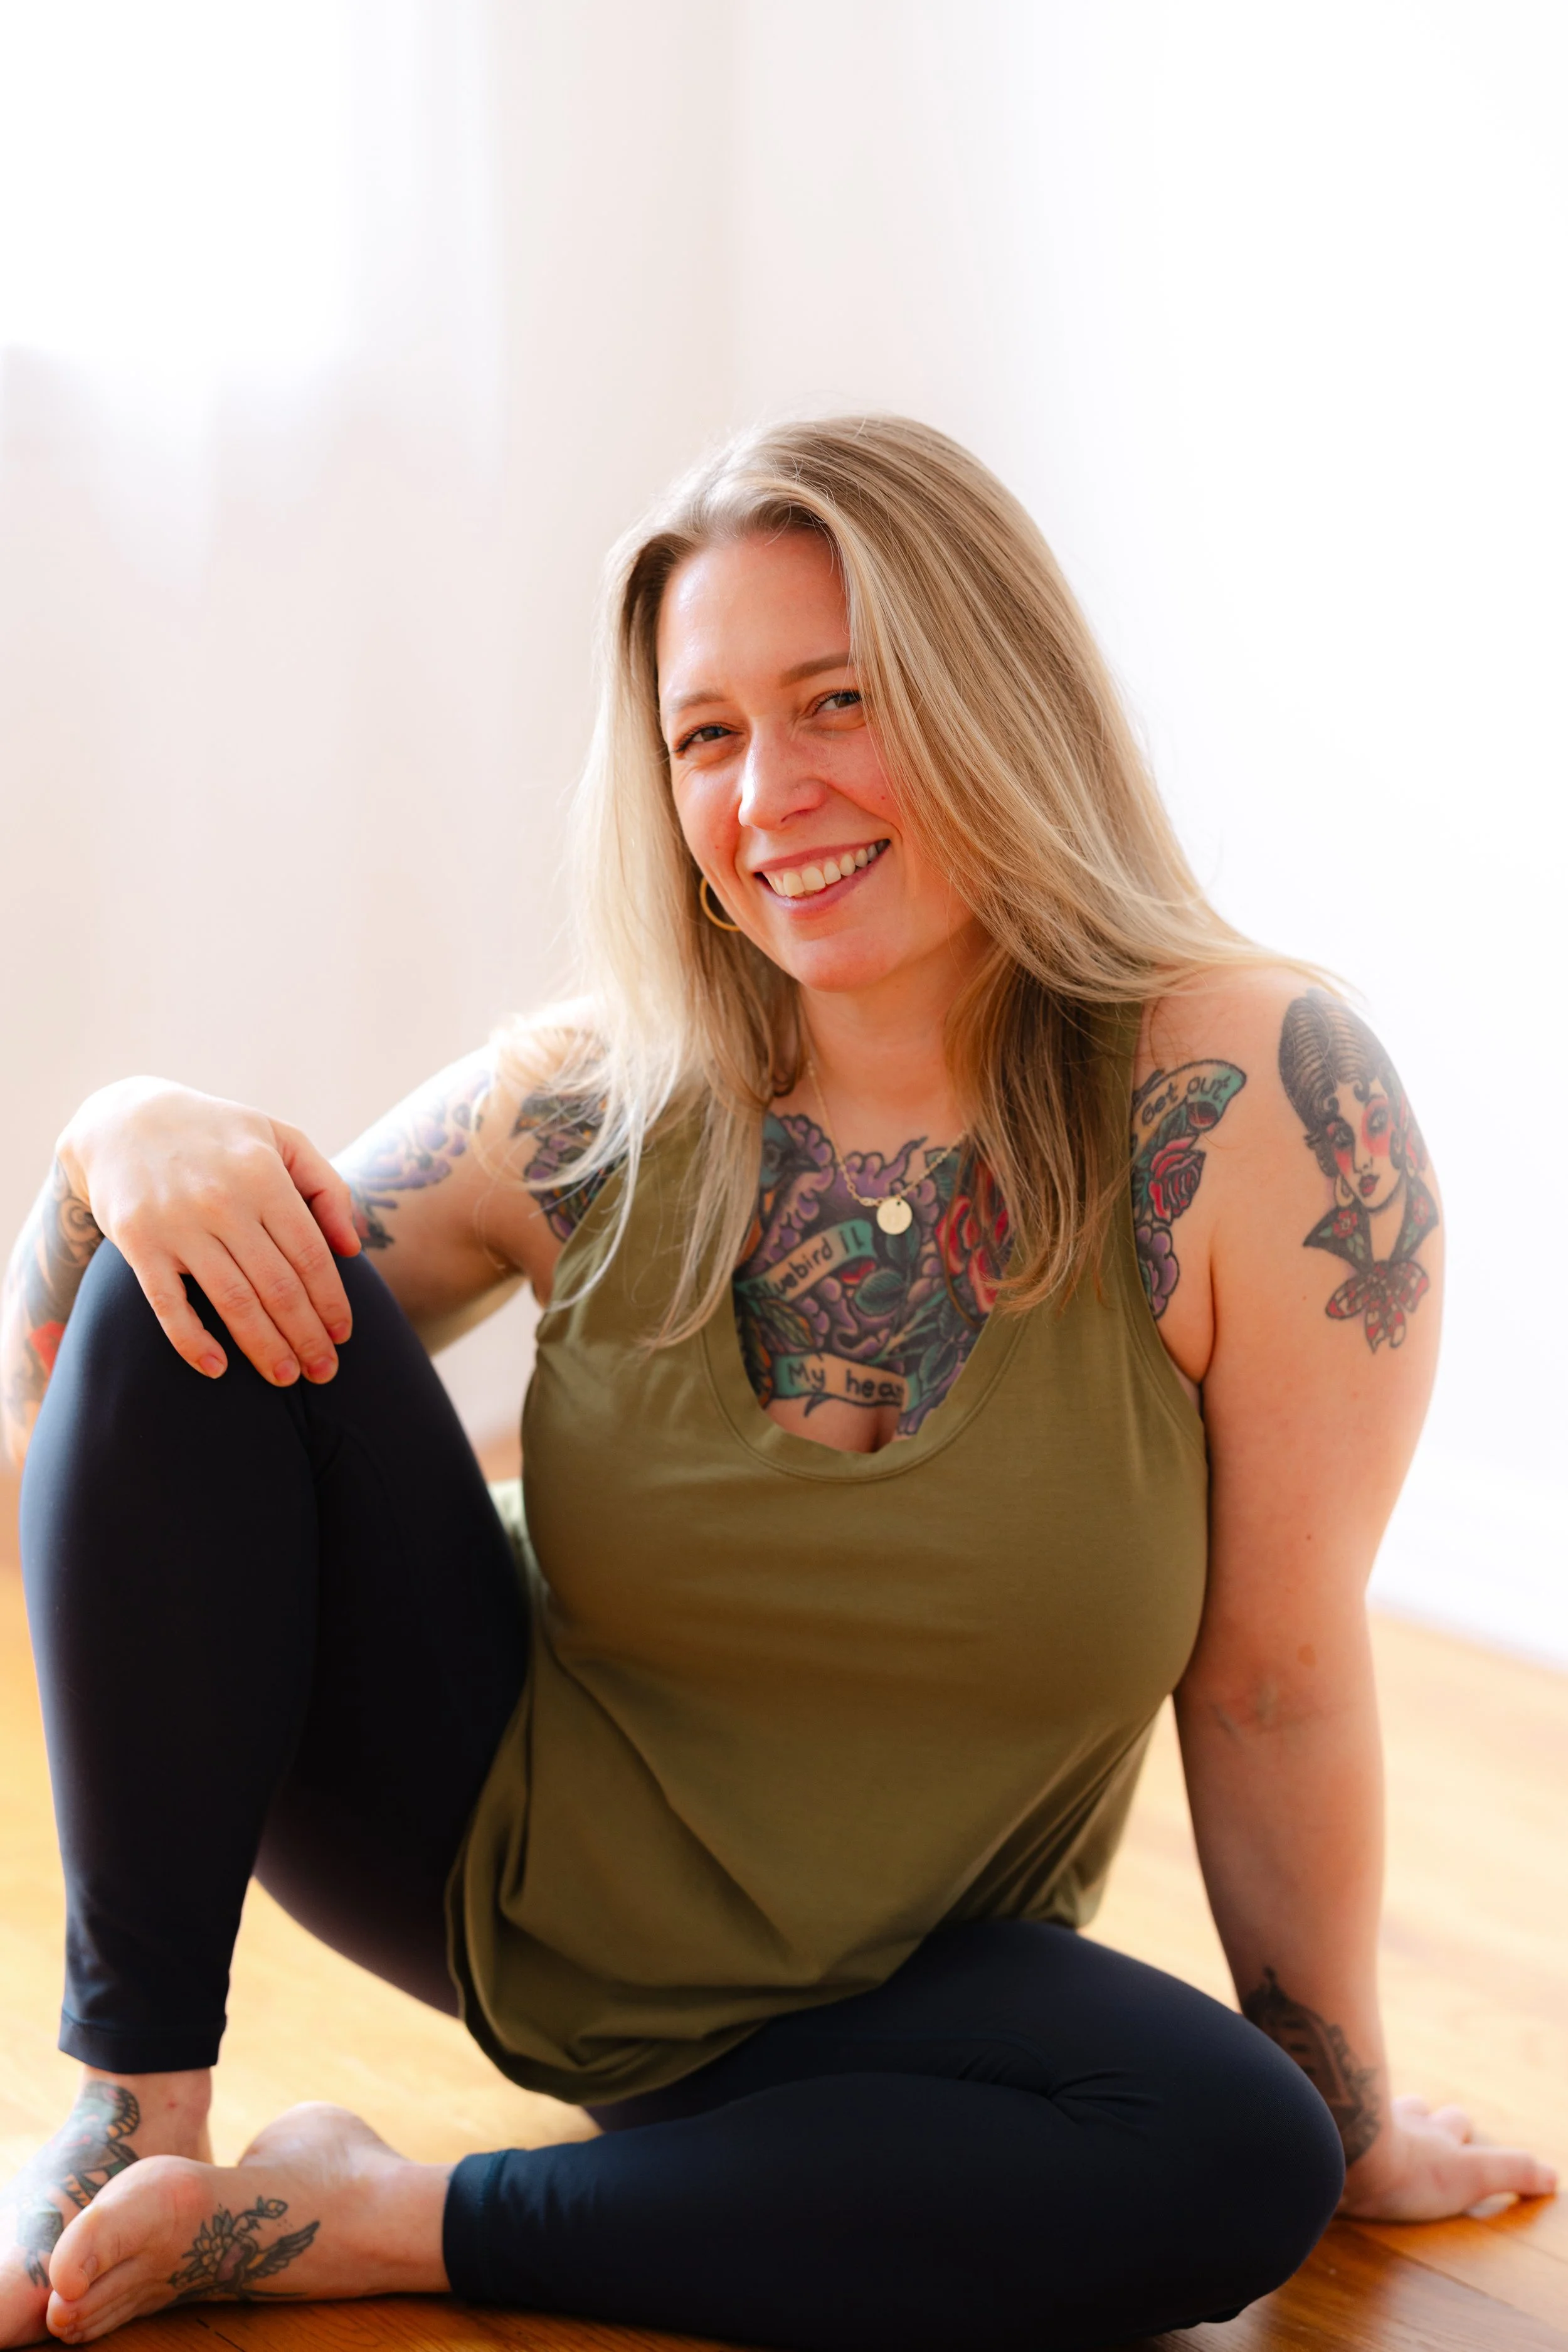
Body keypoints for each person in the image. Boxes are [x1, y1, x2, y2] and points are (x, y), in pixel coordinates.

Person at [0, 416, 1551, 2352]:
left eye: (840, 700)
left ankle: (376, 2217)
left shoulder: (1250, 1102)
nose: (770, 792)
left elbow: (1274, 1672)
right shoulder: (586, 1095)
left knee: (1240, 2160)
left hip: (893, 1990)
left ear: (993, 695)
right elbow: (101, 1388)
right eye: (706, 734)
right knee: (205, 1257)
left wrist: (1344, 2111)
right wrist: (115, 1134)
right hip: (484, 1838)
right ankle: (130, 2116)